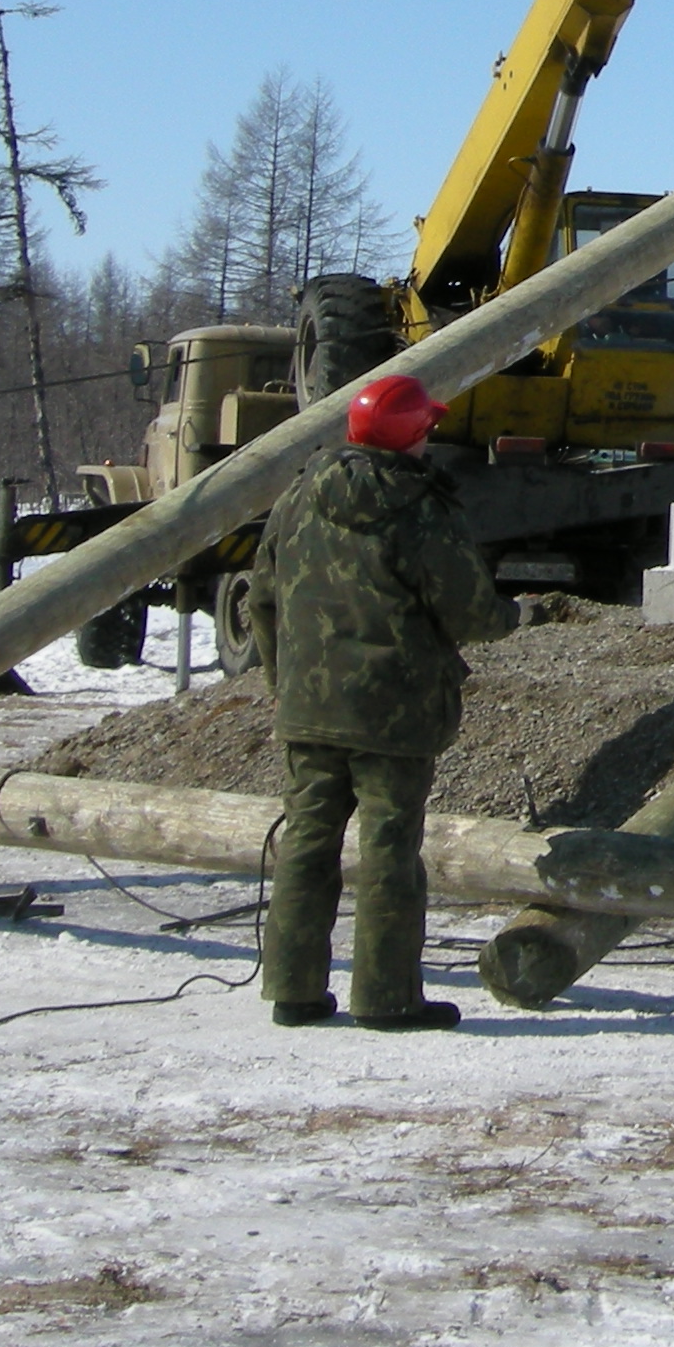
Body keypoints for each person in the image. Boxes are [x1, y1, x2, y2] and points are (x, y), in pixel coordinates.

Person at [249, 371, 517, 1032]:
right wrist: (515, 615)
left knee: (307, 843)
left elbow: (261, 595)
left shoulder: (297, 496)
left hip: (309, 706)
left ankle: (293, 990)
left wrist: (283, 683)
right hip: (395, 711)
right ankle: (388, 997)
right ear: (416, 435)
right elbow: (471, 611)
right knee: (390, 850)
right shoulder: (418, 505)